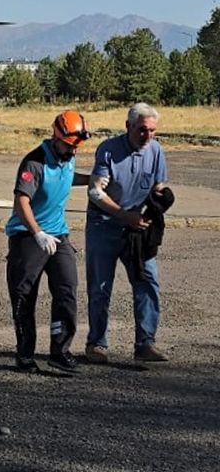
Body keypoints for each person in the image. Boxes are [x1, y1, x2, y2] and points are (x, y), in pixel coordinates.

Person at [4, 110, 92, 374]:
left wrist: (92, 181)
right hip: (27, 235)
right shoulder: (35, 162)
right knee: (24, 296)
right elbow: (22, 200)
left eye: (76, 147)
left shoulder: (69, 156)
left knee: (67, 290)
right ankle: (25, 354)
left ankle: (60, 351)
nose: (73, 152)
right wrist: (37, 233)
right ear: (56, 137)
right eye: (68, 146)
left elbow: (68, 175)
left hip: (59, 235)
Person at [84, 103, 170, 364]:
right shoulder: (108, 150)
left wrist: (160, 201)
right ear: (128, 127)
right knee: (100, 286)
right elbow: (95, 192)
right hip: (104, 226)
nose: (148, 136)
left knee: (147, 282)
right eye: (143, 130)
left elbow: (158, 186)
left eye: (153, 131)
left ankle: (145, 343)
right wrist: (124, 215)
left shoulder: (155, 151)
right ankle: (97, 344)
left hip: (137, 230)